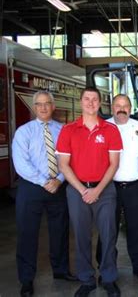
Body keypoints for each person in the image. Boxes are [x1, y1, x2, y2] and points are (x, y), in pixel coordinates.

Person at [57, 87, 122, 297]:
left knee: (109, 235)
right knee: (81, 236)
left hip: (105, 190)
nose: (91, 103)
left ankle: (109, 277)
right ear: (81, 102)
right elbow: (64, 165)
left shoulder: (110, 130)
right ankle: (86, 279)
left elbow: (113, 165)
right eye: (87, 99)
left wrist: (97, 190)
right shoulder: (68, 130)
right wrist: (83, 190)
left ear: (100, 103)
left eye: (95, 99)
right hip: (77, 191)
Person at [12, 90, 76, 297]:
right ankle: (27, 279)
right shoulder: (23, 132)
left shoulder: (64, 130)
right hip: (31, 187)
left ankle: (61, 270)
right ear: (34, 107)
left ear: (53, 106)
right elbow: (21, 163)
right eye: (39, 104)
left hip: (58, 186)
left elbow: (70, 158)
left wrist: (59, 179)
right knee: (27, 234)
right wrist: (43, 181)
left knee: (60, 230)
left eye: (47, 103)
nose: (43, 107)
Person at [96, 95, 138, 280]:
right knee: (107, 229)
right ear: (112, 107)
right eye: (118, 105)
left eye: (125, 106)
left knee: (137, 228)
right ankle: (105, 267)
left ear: (131, 107)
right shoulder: (102, 127)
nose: (122, 109)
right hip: (109, 187)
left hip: (135, 186)